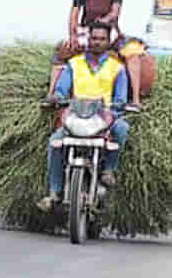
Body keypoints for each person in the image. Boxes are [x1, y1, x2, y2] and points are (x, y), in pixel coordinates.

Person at [36, 21, 130, 212]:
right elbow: (62, 89)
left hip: (103, 119)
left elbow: (120, 98)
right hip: (76, 116)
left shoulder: (117, 68)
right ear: (88, 39)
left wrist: (115, 111)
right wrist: (57, 98)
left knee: (122, 128)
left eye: (102, 39)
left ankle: (108, 170)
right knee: (55, 142)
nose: (97, 42)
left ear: (108, 41)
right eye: (94, 38)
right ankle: (54, 193)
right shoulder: (74, 64)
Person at [42, 0, 147, 112]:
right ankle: (53, 96)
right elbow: (74, 15)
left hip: (108, 30)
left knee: (132, 53)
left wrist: (104, 22)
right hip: (87, 31)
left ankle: (135, 101)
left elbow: (114, 13)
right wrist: (73, 36)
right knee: (62, 52)